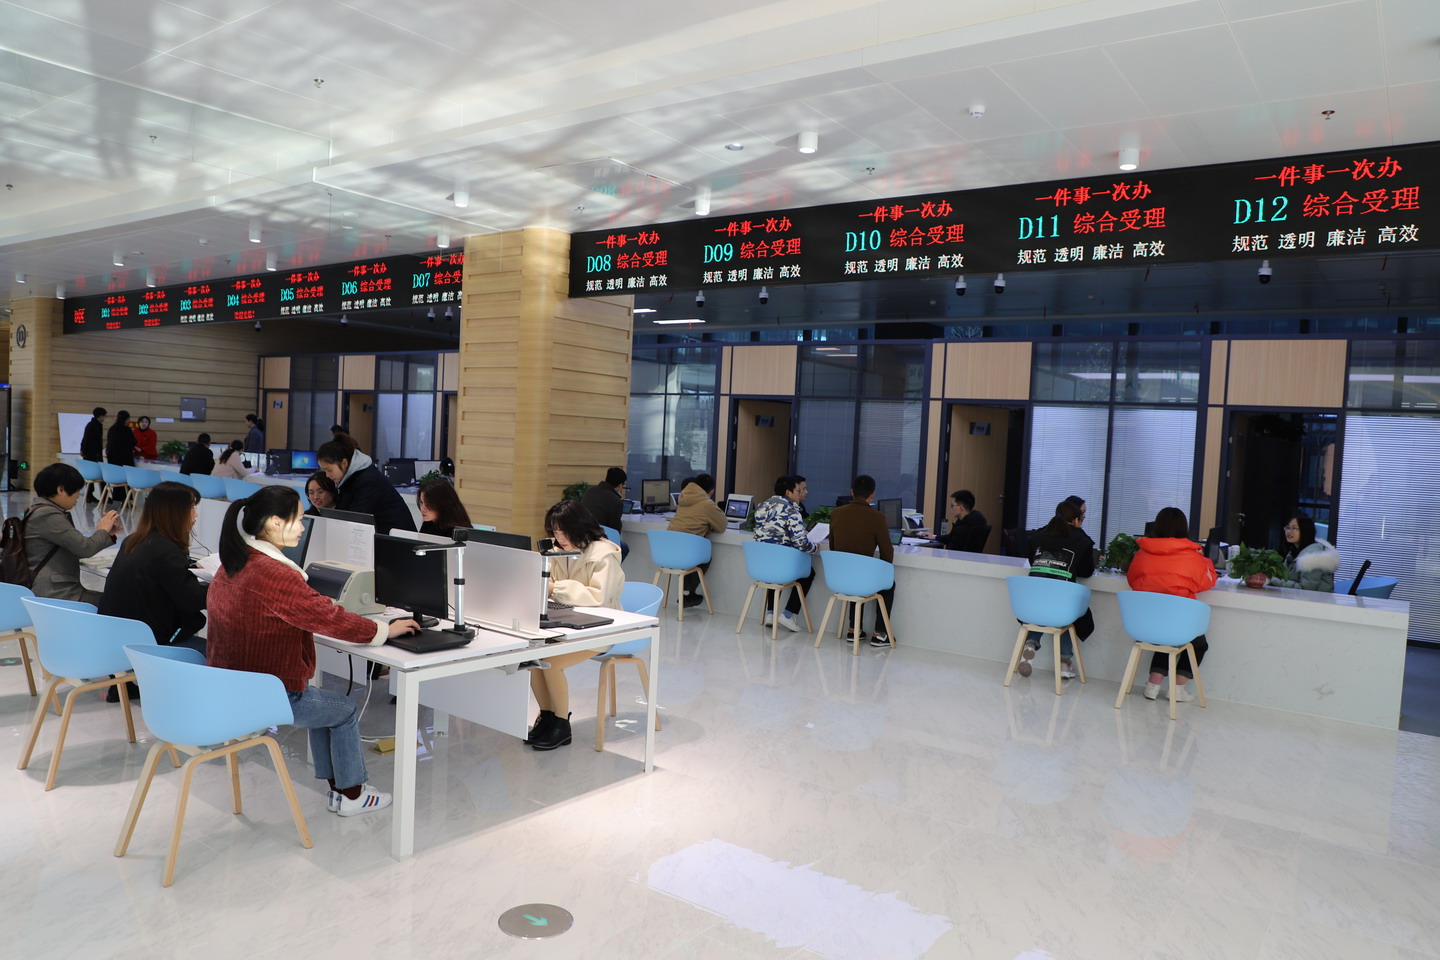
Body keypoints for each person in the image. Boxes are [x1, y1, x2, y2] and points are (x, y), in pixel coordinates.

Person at [206, 484, 417, 816]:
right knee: (344, 710)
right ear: (275, 522)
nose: (303, 527)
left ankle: (339, 791)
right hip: (269, 693)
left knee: (327, 707)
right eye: (299, 519)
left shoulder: (235, 562)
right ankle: (353, 795)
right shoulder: (273, 573)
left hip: (235, 686)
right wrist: (383, 630)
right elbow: (327, 617)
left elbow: (310, 611)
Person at [525, 499, 624, 751]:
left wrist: (554, 588)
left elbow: (597, 597)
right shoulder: (557, 550)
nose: (559, 537)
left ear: (579, 526)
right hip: (568, 623)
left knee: (551, 662)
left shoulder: (604, 554)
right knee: (533, 660)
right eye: (555, 531)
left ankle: (562, 724)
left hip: (601, 629)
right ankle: (547, 717)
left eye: (563, 531)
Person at [99, 481, 209, 657]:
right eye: (191, 507)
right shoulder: (167, 550)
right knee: (218, 652)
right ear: (174, 511)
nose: (195, 514)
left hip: (118, 637)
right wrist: (218, 583)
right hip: (151, 643)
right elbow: (193, 600)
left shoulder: (132, 540)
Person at [1126, 507, 1217, 702]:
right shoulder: (1192, 557)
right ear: (1184, 528)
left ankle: (1153, 685)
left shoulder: (1141, 554)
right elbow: (1207, 582)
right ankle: (1178, 689)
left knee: (1164, 638)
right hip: (1176, 625)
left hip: (1145, 624)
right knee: (1198, 644)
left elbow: (1132, 580)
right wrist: (1205, 561)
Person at [1019, 499, 1095, 680]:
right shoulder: (1082, 540)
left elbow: (1032, 561)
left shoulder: (1038, 536)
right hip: (1062, 605)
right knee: (1069, 613)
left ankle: (1031, 643)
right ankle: (1064, 662)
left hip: (1032, 603)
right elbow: (1086, 571)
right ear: (1076, 520)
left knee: (1044, 607)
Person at [24, 462, 122, 605]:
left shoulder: (40, 510)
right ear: (61, 490)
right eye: (76, 490)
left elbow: (74, 546)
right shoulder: (47, 514)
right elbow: (84, 548)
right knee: (116, 602)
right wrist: (102, 530)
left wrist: (107, 533)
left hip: (53, 589)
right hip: (55, 593)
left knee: (113, 600)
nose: (78, 496)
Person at [828, 474, 895, 647]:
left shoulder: (836, 513)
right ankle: (880, 633)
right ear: (872, 495)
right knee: (888, 583)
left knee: (855, 576)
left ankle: (853, 629)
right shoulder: (877, 517)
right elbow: (887, 552)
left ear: (852, 492)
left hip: (840, 578)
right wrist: (884, 571)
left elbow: (833, 547)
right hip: (862, 579)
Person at [752, 474, 816, 633]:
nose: (802, 493)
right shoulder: (792, 510)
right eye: (799, 490)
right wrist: (815, 547)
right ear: (788, 492)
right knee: (808, 573)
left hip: (760, 566)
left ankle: (770, 613)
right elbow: (801, 544)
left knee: (773, 568)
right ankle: (788, 614)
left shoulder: (761, 506)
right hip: (782, 566)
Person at [315, 438, 416, 534]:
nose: (327, 475)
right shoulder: (350, 479)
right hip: (382, 537)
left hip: (397, 539)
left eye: (329, 470)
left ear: (344, 463)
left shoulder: (367, 480)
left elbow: (355, 520)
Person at [667, 473, 725, 607]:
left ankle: (687, 592)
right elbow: (722, 526)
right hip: (687, 552)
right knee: (703, 555)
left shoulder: (683, 498)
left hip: (668, 551)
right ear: (711, 491)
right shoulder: (707, 504)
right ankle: (689, 592)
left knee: (691, 553)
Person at [1273, 513, 1339, 592]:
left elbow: (1305, 589)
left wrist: (1272, 580)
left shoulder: (1313, 557)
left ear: (1305, 531)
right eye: (1287, 527)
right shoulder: (1293, 552)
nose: (1289, 531)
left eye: (1294, 528)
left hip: (1315, 599)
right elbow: (1283, 577)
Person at [580, 466, 628, 560]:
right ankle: (611, 567)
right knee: (624, 549)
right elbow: (615, 529)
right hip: (597, 537)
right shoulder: (616, 501)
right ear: (620, 485)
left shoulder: (590, 490)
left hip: (581, 534)